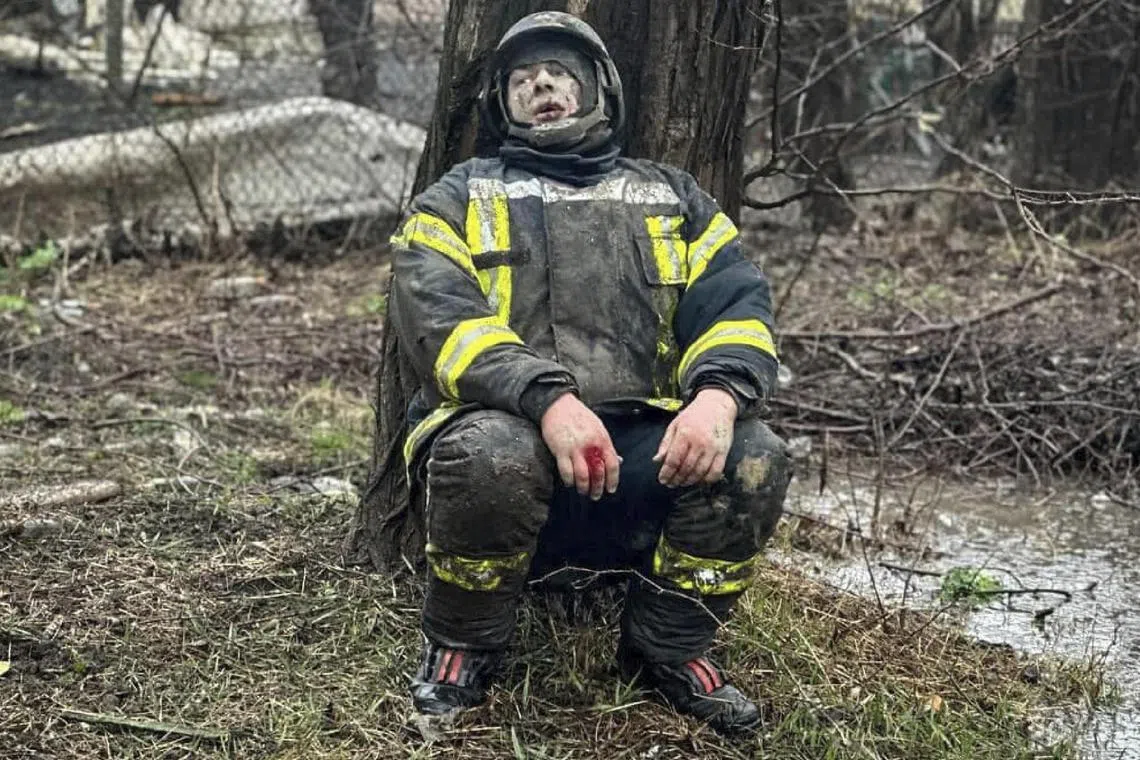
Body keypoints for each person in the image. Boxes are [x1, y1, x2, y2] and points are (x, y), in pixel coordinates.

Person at [388, 11, 792, 737]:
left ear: (599, 88)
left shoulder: (675, 197)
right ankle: (463, 643)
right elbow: (438, 320)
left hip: (647, 458)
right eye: (521, 79)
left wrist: (718, 398)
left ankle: (668, 648)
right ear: (499, 104)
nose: (541, 84)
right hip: (510, 445)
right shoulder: (455, 199)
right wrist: (546, 399)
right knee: (487, 455)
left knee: (756, 459)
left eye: (559, 73)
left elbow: (737, 304)